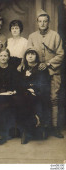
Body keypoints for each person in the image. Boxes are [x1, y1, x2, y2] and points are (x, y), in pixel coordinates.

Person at [27, 9, 64, 138]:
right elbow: (28, 54)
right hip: (37, 74)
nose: (42, 24)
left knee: (54, 98)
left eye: (45, 21)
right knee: (39, 98)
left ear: (49, 22)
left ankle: (55, 127)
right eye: (40, 21)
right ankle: (41, 127)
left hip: (53, 72)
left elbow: (60, 54)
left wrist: (48, 63)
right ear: (37, 23)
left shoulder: (55, 35)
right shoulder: (32, 36)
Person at [15, 47, 51, 144]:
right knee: (22, 99)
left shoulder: (41, 68)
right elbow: (19, 83)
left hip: (38, 93)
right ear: (25, 57)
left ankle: (26, 131)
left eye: (33, 54)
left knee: (28, 99)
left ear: (36, 56)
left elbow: (44, 83)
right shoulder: (23, 68)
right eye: (28, 54)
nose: (30, 56)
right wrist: (27, 88)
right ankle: (31, 126)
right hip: (26, 93)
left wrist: (33, 89)